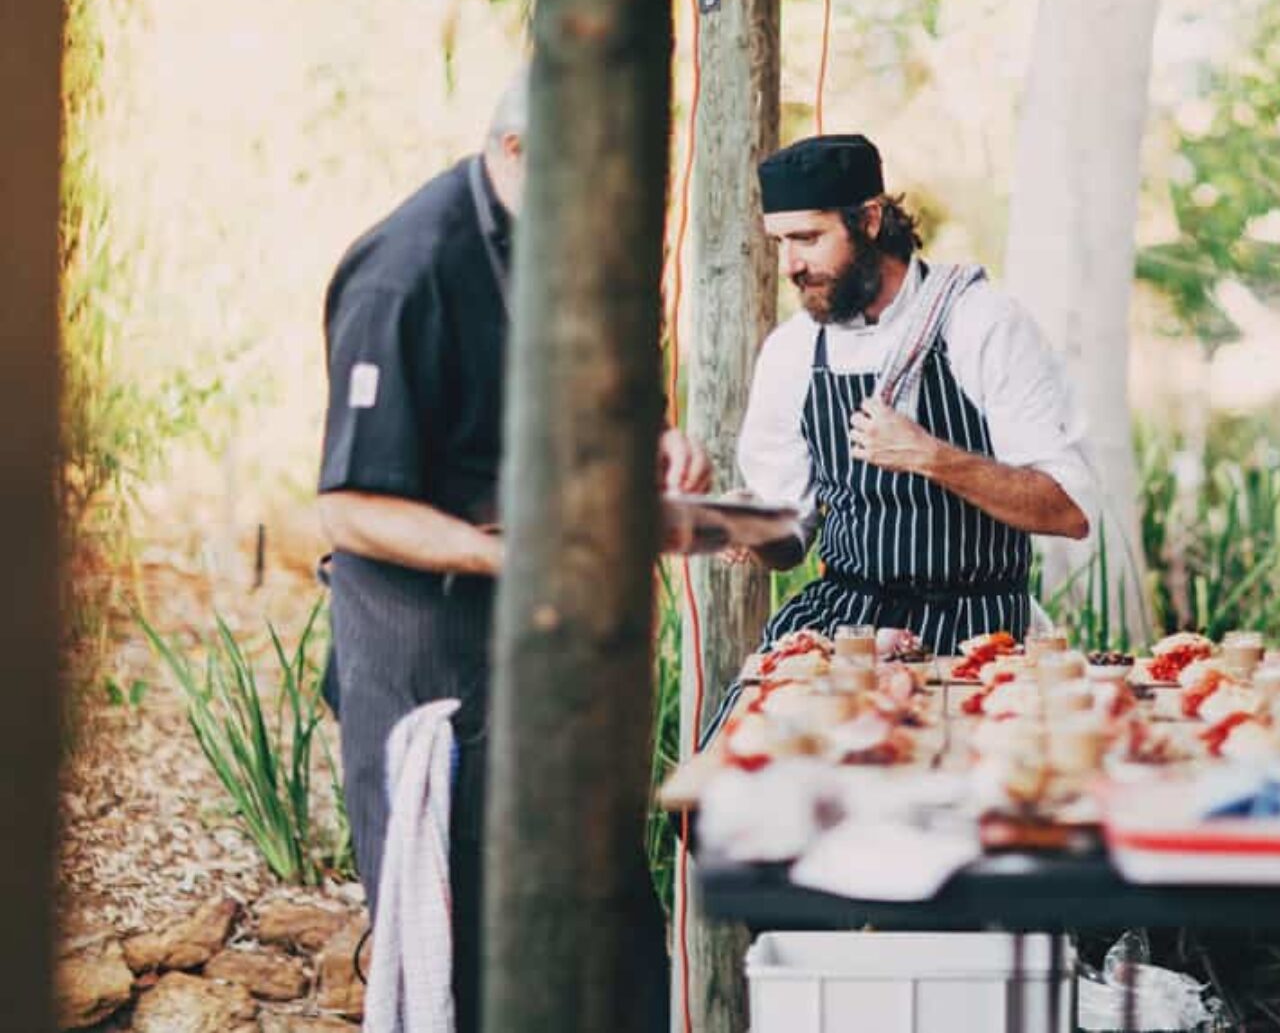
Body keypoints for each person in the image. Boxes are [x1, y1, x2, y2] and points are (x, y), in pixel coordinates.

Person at [315, 70, 709, 1030]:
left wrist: (653, 442)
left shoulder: (577, 244)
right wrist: (527, 558)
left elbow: (615, 391)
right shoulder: (407, 269)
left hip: (557, 655)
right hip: (431, 667)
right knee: (479, 963)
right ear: (517, 151)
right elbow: (351, 508)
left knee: (614, 938)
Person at [728, 131, 1098, 663]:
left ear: (871, 220)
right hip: (844, 629)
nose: (789, 265)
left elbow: (1070, 510)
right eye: (778, 243)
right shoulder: (793, 351)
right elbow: (791, 545)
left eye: (807, 238)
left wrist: (934, 458)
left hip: (980, 633)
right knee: (747, 744)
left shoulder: (981, 325)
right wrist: (755, 526)